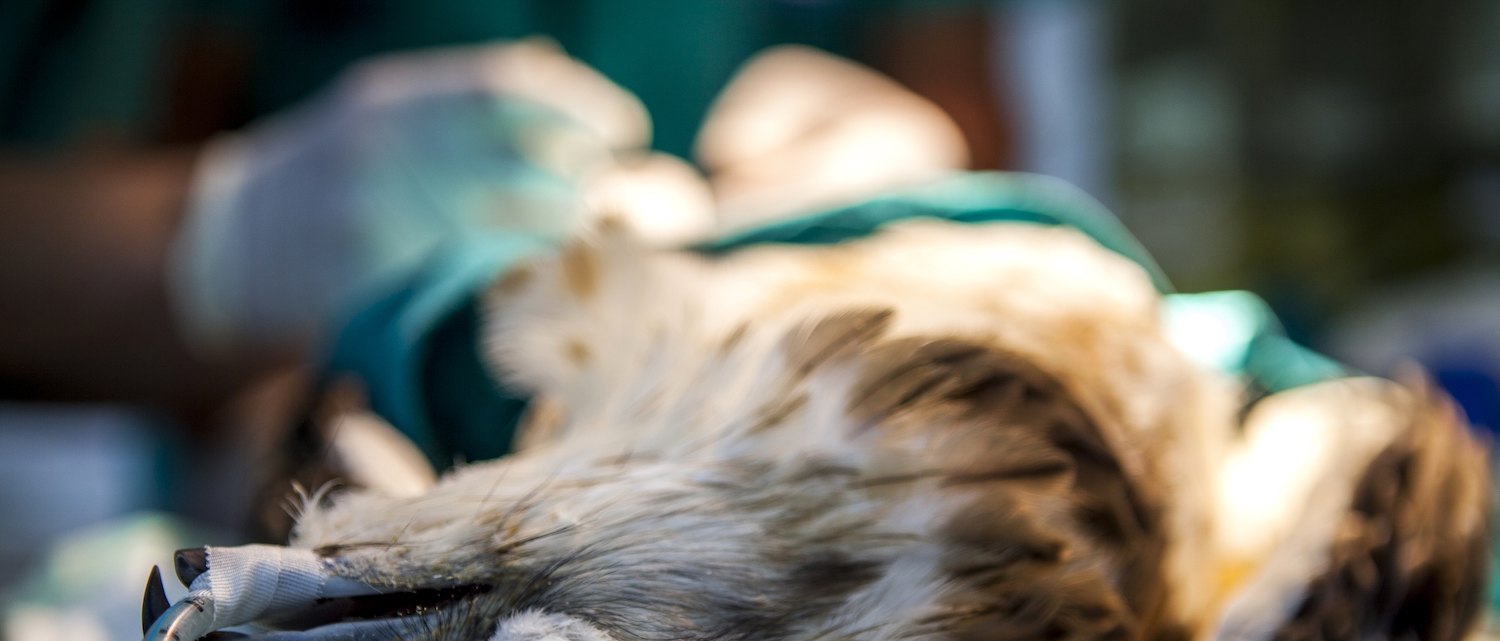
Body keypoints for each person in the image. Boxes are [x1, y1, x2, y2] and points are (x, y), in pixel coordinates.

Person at [0, 0, 1007, 418]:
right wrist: (228, 235)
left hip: (774, 400)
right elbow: (130, 130)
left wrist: (914, 181)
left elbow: (961, 91)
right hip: (331, 435)